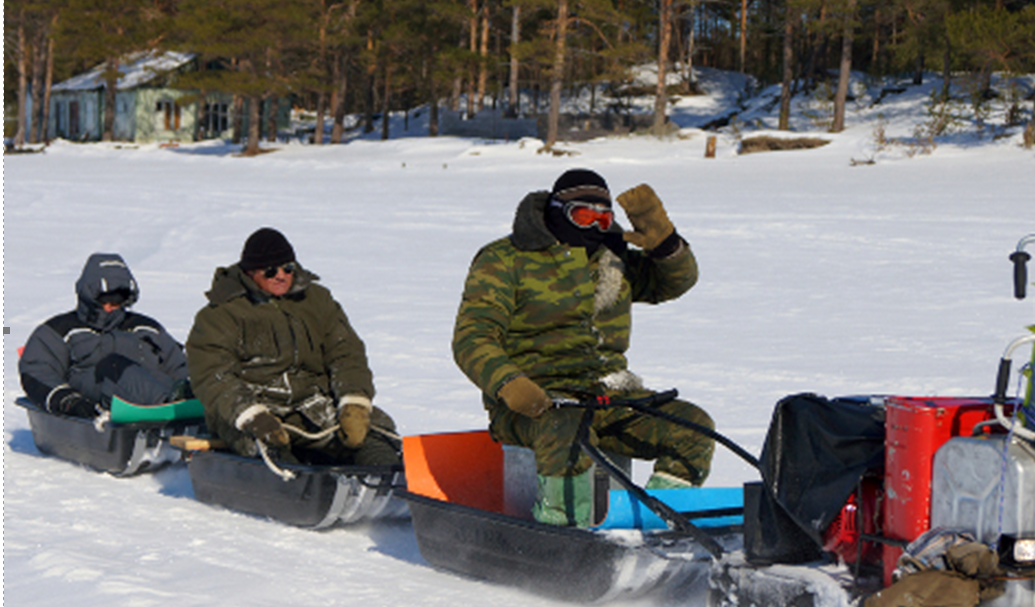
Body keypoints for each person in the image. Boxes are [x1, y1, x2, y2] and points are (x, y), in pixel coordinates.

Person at [453, 169, 714, 526]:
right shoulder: (505, 259)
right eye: (584, 216)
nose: (595, 227)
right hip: (535, 401)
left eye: (604, 218)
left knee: (693, 427)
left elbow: (673, 282)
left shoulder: (611, 258)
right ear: (559, 212)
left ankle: (654, 523)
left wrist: (664, 242)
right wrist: (510, 385)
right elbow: (473, 337)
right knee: (568, 430)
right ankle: (563, 530)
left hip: (607, 394)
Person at [186, 227, 399, 466]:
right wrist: (253, 417)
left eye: (288, 268)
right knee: (270, 448)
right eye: (270, 271)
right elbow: (214, 376)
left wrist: (354, 401)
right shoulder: (220, 314)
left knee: (374, 434)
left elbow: (346, 353)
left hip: (311, 404)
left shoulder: (317, 300)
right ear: (249, 272)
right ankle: (296, 487)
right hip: (253, 411)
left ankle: (386, 483)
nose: (281, 275)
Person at [20, 253, 190, 418]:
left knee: (162, 376)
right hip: (96, 397)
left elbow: (178, 365)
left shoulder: (146, 328)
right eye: (103, 302)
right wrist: (67, 400)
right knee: (115, 367)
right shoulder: (61, 330)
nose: (108, 308)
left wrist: (189, 385)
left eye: (115, 303)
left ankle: (189, 404)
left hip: (148, 392)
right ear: (89, 297)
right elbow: (37, 370)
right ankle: (170, 407)